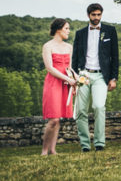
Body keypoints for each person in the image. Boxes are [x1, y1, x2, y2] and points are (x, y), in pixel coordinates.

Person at [72, 3, 119, 152]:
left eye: (99, 15)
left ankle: (99, 143)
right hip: (83, 75)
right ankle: (85, 144)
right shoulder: (80, 33)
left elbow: (115, 57)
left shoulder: (110, 31)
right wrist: (73, 77)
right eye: (94, 15)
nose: (96, 18)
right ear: (88, 15)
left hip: (101, 75)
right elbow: (74, 57)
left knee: (99, 106)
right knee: (80, 111)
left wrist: (114, 78)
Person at [41, 18, 76, 155]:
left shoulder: (69, 47)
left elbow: (69, 67)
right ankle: (44, 150)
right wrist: (67, 78)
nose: (68, 31)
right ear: (58, 29)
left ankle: (53, 150)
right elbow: (49, 68)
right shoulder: (47, 46)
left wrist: (75, 80)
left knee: (59, 118)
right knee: (53, 118)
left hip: (66, 83)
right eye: (66, 28)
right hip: (53, 83)